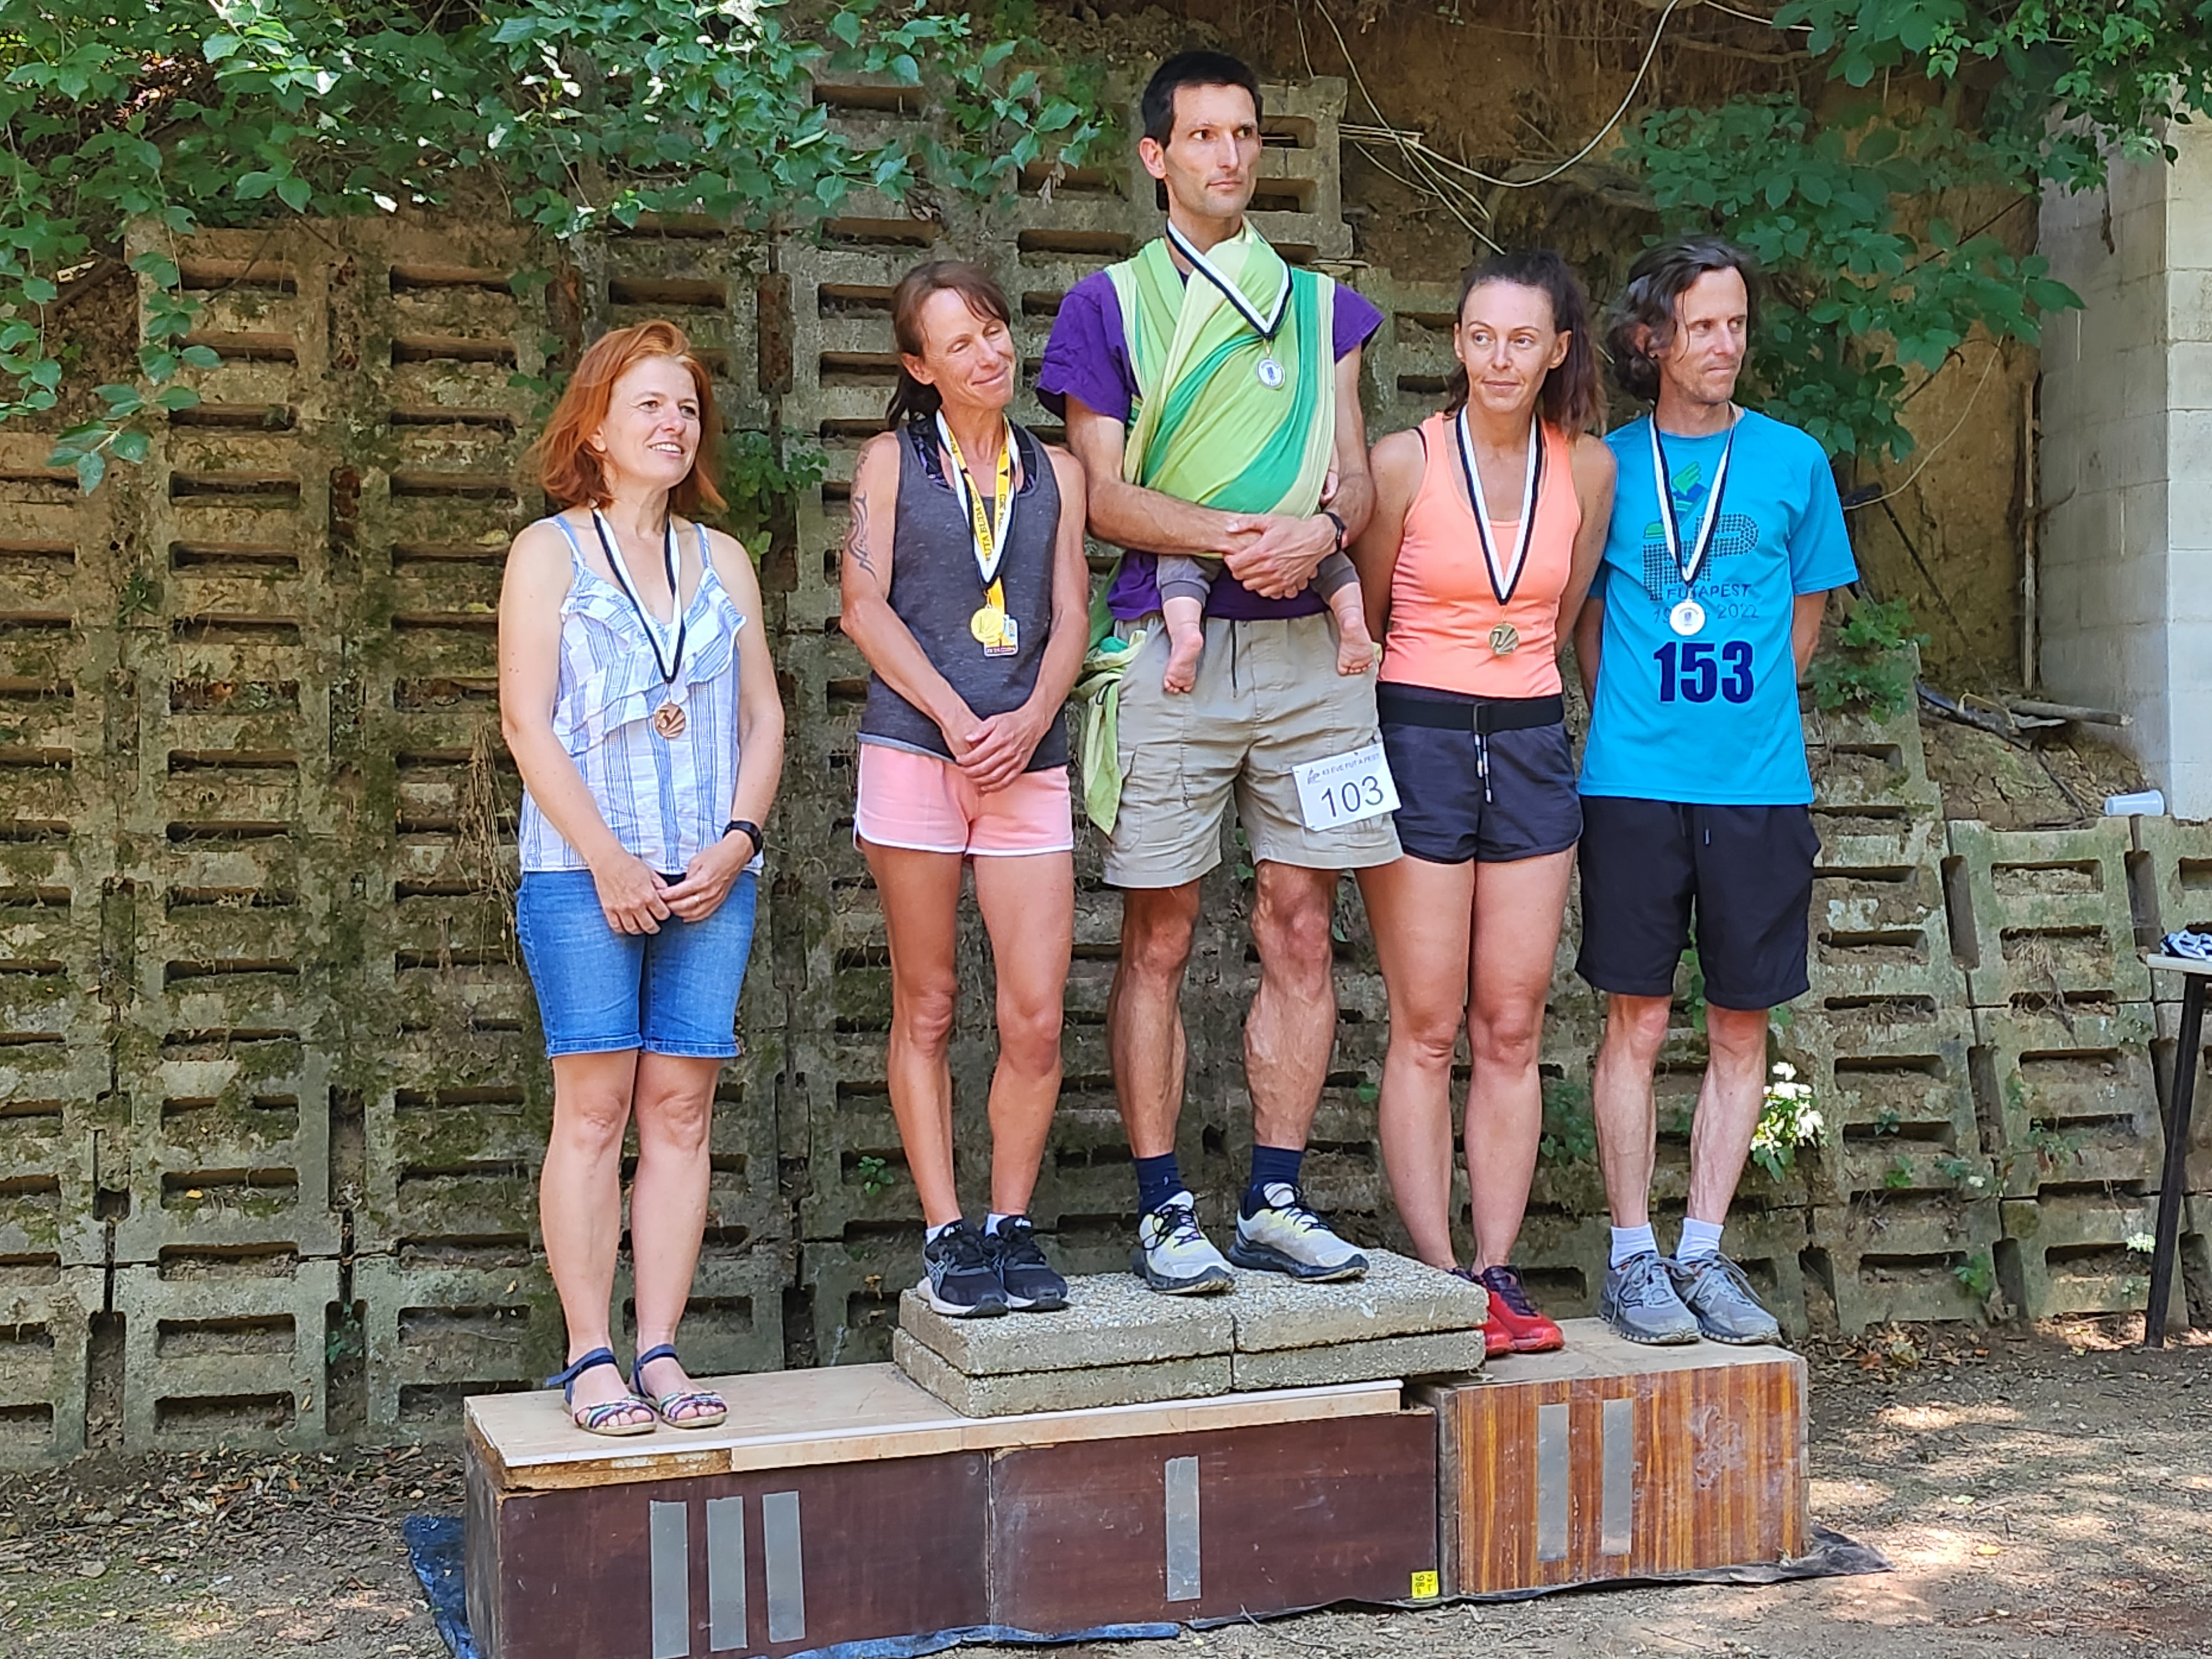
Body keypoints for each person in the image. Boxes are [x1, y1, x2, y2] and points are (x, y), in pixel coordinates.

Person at [1040, 49, 1392, 1295]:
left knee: (1302, 925)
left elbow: (1354, 475)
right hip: (1169, 648)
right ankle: (1161, 1210)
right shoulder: (1106, 306)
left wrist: (1325, 529)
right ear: (1156, 157)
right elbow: (1102, 497)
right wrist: (1244, 538)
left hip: (1315, 653)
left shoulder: (1322, 307)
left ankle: (1277, 1199)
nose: (1230, 156)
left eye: (1245, 134)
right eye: (1202, 136)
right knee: (1159, 930)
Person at [499, 321, 785, 1432]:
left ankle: (660, 1349)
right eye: (650, 406)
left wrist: (740, 840)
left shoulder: (724, 560)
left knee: (680, 1109)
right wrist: (609, 859)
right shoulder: (549, 553)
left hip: (711, 875)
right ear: (596, 429)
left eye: (688, 407)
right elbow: (526, 724)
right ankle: (590, 1358)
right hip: (583, 874)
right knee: (594, 1110)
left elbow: (763, 718)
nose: (675, 424)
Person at [1572, 237, 1856, 1345]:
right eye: (1701, 326)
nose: (1724, 344)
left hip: (1758, 785)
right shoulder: (1604, 466)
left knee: (1742, 1023)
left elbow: (1802, 623)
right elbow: (1586, 620)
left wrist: (1735, 715)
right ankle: (1630, 1257)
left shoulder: (1793, 462)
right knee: (1635, 1019)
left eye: (1736, 324)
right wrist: (1636, 714)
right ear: (1651, 339)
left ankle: (1699, 1251)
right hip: (1634, 782)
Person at [1350, 249, 1615, 1357]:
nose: (1499, 359)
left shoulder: (1587, 467)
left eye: (1522, 340)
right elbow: (1365, 620)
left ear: (1556, 350)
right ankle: (1439, 1272)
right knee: (1425, 1024)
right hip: (1416, 733)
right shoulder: (1402, 462)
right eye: (1481, 337)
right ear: (1457, 343)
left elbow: (1559, 612)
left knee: (1511, 1021)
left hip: (1528, 738)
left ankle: (1498, 1270)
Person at [839, 262, 1091, 1317]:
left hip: (1028, 761)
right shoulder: (890, 461)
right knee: (930, 1002)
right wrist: (953, 717)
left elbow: (1072, 613)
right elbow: (861, 604)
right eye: (959, 344)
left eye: (994, 332)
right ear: (919, 367)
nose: (988, 356)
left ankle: (1011, 1223)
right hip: (917, 752)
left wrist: (1030, 718)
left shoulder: (1058, 469)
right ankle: (947, 1231)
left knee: (1034, 1014)